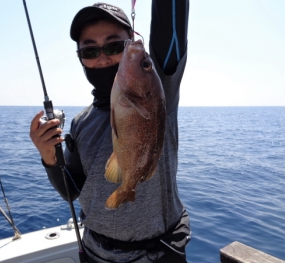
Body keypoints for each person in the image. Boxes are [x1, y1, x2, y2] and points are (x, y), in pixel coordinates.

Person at [30, 1, 190, 262]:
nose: (102, 58)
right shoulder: (80, 122)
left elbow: (171, 29)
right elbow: (73, 191)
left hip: (158, 254)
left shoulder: (160, 93)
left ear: (132, 40)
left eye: (114, 46)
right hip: (94, 252)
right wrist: (49, 158)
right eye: (89, 51)